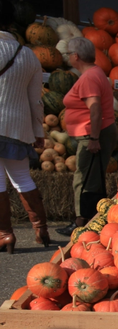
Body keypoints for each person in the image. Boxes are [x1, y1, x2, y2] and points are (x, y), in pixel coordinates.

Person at [0, 5, 50, 253]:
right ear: (10, 25)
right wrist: (38, 132)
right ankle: (41, 230)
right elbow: (36, 100)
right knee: (21, 178)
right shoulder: (28, 55)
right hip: (18, 127)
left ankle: (5, 235)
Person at [57, 37, 118, 236]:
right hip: (98, 131)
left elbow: (95, 109)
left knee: (83, 178)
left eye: (68, 54)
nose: (68, 57)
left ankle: (81, 222)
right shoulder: (95, 73)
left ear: (76, 56)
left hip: (93, 133)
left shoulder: (89, 77)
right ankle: (90, 218)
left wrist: (93, 138)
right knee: (91, 178)